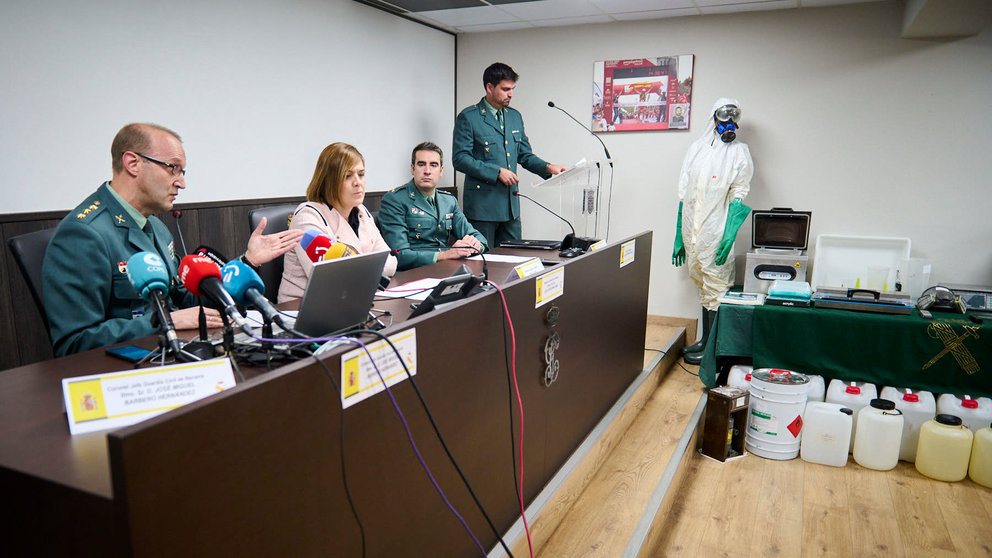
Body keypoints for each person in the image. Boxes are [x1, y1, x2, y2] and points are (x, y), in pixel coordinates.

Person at [42, 123, 303, 357]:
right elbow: (75, 342)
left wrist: (248, 262)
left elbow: (186, 299)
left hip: (171, 352)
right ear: (133, 163)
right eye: (173, 168)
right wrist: (167, 320)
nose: (182, 183)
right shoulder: (84, 234)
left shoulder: (155, 226)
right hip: (123, 371)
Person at [671, 97, 753, 364]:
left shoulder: (740, 152)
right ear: (714, 119)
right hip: (692, 231)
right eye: (723, 117)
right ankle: (706, 341)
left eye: (733, 118)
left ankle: (714, 349)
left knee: (717, 287)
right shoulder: (697, 149)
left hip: (716, 230)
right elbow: (684, 194)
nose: (728, 123)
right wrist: (678, 236)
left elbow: (738, 195)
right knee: (702, 284)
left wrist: (729, 235)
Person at [452, 62, 567, 247]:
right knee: (484, 262)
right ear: (489, 87)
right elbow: (460, 159)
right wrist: (496, 172)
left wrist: (547, 167)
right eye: (505, 89)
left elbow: (524, 154)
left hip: (511, 207)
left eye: (512, 89)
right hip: (482, 208)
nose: (511, 94)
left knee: (515, 258)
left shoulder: (514, 117)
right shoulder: (469, 117)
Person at [278, 142, 398, 303]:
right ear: (329, 181)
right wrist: (370, 265)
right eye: (348, 176)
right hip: (302, 308)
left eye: (361, 174)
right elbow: (330, 279)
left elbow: (391, 262)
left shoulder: (361, 211)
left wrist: (358, 267)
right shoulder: (307, 217)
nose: (358, 182)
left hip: (352, 301)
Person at [379, 142, 487, 271]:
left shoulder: (448, 201)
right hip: (412, 273)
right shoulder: (395, 200)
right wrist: (445, 255)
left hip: (444, 269)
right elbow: (400, 254)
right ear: (412, 169)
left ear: (441, 171)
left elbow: (479, 237)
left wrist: (475, 244)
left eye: (433, 165)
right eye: (421, 164)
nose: (427, 171)